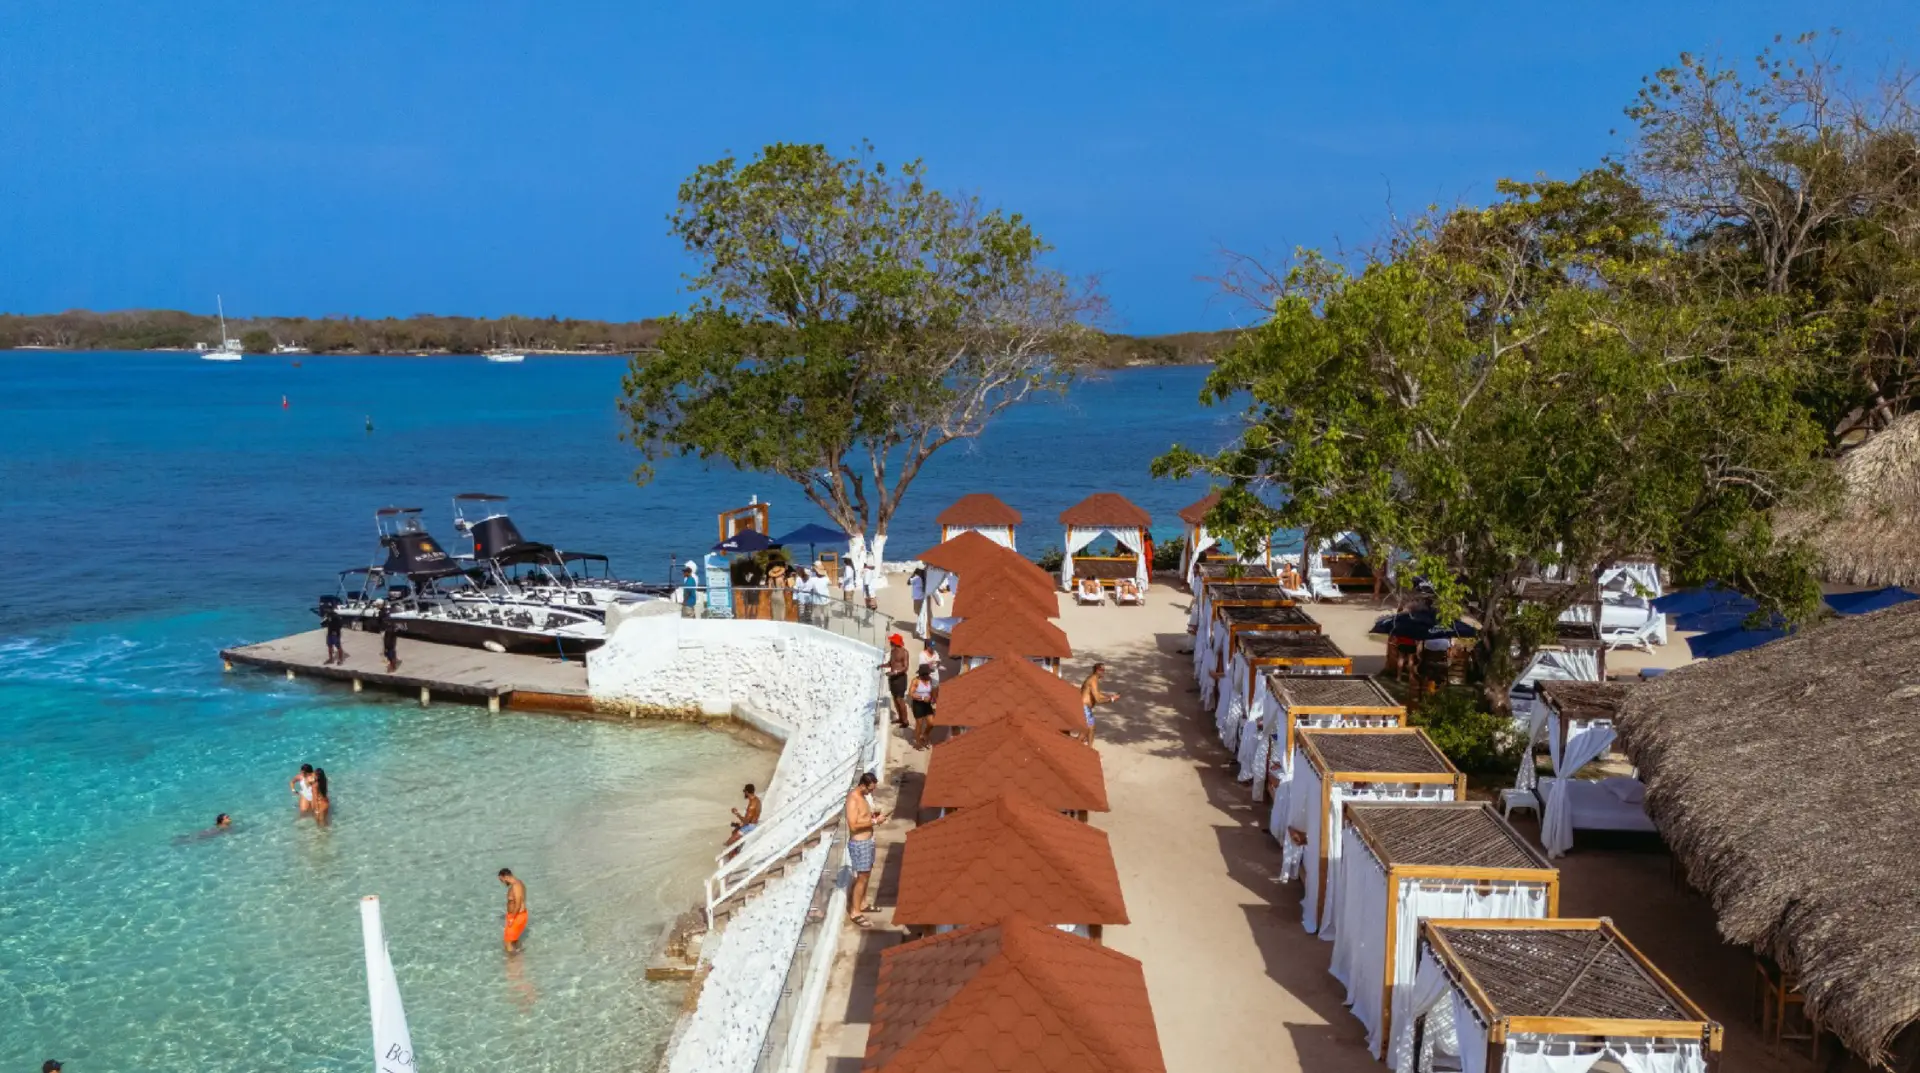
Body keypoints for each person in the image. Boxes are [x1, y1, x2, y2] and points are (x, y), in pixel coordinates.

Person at [845, 772, 885, 929]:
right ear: (863, 785)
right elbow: (853, 825)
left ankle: (862, 903)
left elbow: (862, 817)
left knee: (866, 874)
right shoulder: (853, 799)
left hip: (868, 842)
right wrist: (874, 821)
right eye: (870, 789)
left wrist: (872, 815)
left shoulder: (862, 797)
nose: (871, 792)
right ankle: (855, 912)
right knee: (861, 877)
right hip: (860, 844)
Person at [1079, 663, 1119, 745]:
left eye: (1104, 670)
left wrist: (1110, 696)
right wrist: (1111, 699)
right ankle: (1089, 751)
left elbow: (1097, 694)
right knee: (1091, 729)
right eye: (1101, 670)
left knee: (1086, 731)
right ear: (1096, 670)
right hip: (1084, 707)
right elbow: (1098, 699)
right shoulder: (1093, 680)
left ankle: (1079, 748)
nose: (1103, 672)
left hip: (1085, 708)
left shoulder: (1093, 679)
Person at [879, 634, 911, 728]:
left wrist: (895, 672)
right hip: (892, 678)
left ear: (895, 642)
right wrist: (882, 665)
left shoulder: (904, 652)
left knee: (900, 700)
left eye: (891, 641)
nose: (890, 642)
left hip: (900, 679)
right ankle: (900, 718)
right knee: (895, 699)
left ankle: (905, 721)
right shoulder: (893, 652)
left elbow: (905, 667)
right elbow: (891, 663)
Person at [908, 665, 939, 749]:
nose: (929, 675)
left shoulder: (930, 680)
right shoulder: (916, 681)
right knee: (919, 724)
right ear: (922, 674)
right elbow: (911, 693)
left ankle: (925, 734)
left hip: (927, 704)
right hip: (918, 704)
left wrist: (933, 699)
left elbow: (933, 692)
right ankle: (918, 742)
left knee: (931, 723)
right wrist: (922, 698)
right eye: (927, 674)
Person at [499, 868, 528, 952]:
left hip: (517, 916)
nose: (503, 883)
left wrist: (512, 918)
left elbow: (518, 903)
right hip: (517, 915)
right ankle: (520, 957)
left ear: (505, 877)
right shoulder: (518, 883)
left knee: (508, 942)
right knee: (514, 940)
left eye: (502, 880)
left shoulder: (516, 886)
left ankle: (512, 962)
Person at [376, 600, 399, 673]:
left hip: (386, 631)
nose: (376, 606)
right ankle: (393, 662)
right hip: (392, 631)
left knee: (387, 648)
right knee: (392, 647)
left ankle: (391, 665)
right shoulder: (388, 611)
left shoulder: (381, 612)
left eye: (377, 605)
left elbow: (379, 621)